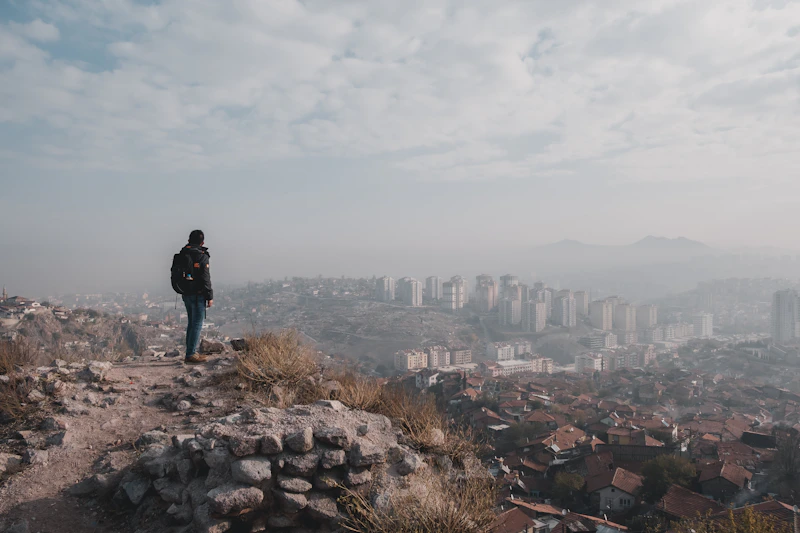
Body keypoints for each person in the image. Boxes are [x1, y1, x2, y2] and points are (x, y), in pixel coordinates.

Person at [181, 229, 213, 363]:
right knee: (197, 323)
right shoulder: (201, 255)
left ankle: (190, 352)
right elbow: (205, 277)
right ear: (202, 242)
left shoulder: (183, 253)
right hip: (198, 294)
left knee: (191, 323)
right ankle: (191, 354)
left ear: (189, 240)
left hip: (185, 293)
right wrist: (209, 296)